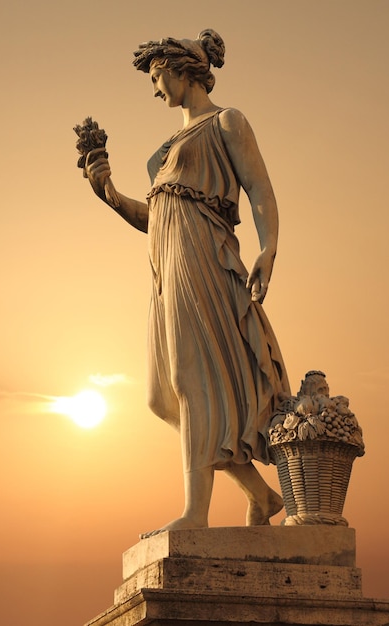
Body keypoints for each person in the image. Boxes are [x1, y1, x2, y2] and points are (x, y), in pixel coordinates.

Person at [84, 28, 291, 538]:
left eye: (157, 77)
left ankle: (196, 514)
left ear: (182, 70)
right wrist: (108, 193)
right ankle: (261, 495)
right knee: (163, 396)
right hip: (167, 269)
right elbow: (154, 216)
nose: (155, 89)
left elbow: (260, 189)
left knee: (191, 382)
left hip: (205, 260)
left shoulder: (226, 122)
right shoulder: (166, 150)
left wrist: (269, 246)